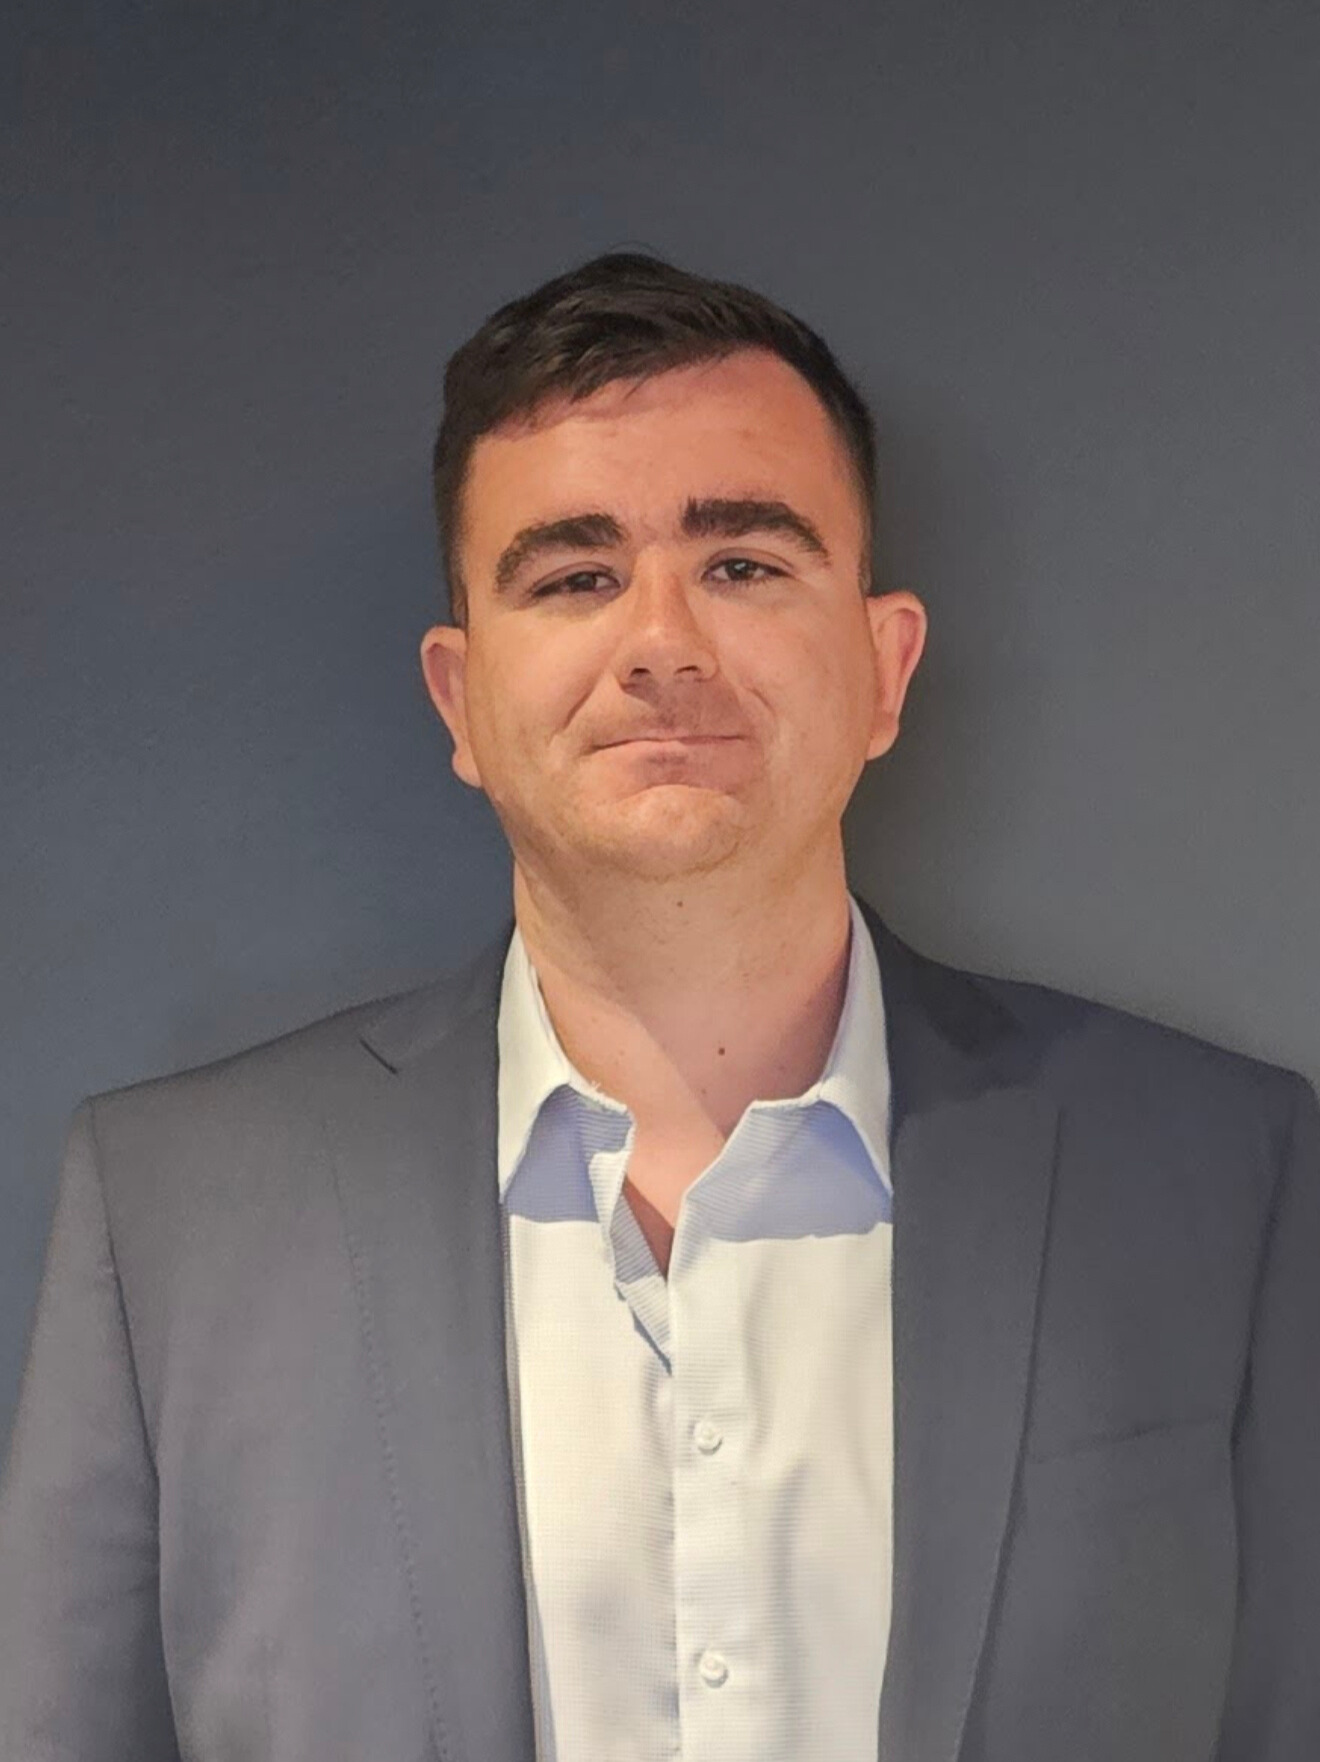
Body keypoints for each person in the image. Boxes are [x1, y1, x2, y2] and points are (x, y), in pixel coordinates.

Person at [1, 253, 1316, 1762]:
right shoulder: (173, 1219)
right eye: (574, 577)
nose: (661, 642)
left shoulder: (1223, 1177)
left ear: (885, 667)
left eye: (744, 564)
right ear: (460, 701)